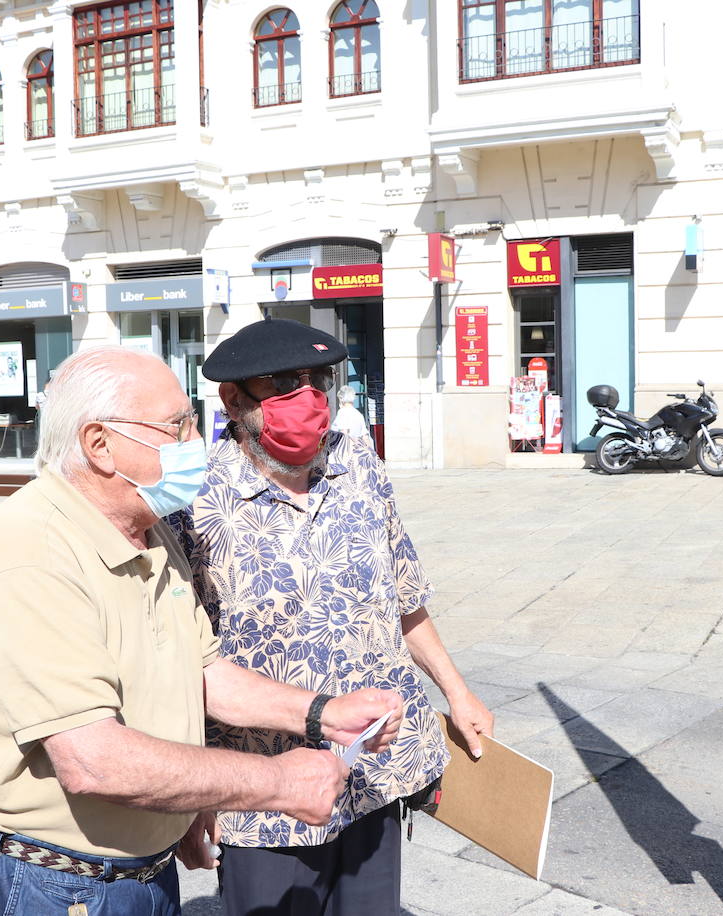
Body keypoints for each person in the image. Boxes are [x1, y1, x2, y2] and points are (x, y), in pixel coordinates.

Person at [0, 345, 403, 916]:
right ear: (99, 445)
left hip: (134, 871)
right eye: (178, 425)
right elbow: (94, 759)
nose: (196, 440)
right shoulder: (30, 551)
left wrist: (322, 712)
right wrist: (278, 782)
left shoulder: (144, 529)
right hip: (37, 882)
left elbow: (203, 674)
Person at [171, 318, 494, 916]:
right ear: (233, 398)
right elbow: (180, 663)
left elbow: (404, 595)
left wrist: (458, 691)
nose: (309, 398)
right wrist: (195, 795)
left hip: (374, 774)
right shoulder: (195, 503)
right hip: (267, 798)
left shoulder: (359, 469)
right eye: (286, 384)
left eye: (320, 379)